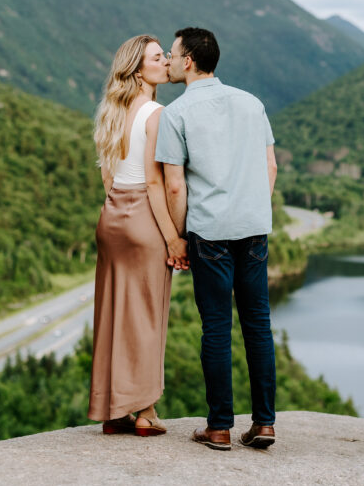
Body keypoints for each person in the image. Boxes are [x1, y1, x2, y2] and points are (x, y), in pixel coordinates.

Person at [155, 27, 279, 451]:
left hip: (209, 233)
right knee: (258, 325)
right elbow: (271, 168)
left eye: (171, 54)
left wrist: (180, 236)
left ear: (188, 60)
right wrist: (254, 209)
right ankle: (264, 424)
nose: (168, 61)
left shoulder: (176, 113)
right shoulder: (251, 103)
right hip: (254, 227)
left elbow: (174, 186)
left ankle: (220, 427)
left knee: (216, 329)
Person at [88, 35, 188, 436]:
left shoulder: (111, 113)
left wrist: (114, 212)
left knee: (112, 314)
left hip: (111, 218)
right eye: (157, 57)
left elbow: (108, 176)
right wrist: (174, 238)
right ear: (138, 69)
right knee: (147, 316)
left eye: (166, 55)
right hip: (145, 218)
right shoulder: (157, 113)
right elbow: (155, 182)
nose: (166, 61)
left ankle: (113, 411)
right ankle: (145, 411)